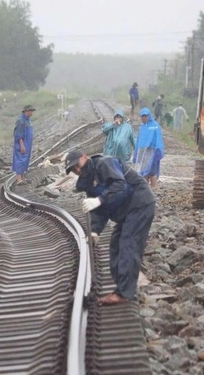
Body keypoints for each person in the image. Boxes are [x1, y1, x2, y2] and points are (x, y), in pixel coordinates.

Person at [64, 150, 155, 305]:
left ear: (84, 157)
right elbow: (100, 210)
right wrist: (94, 230)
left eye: (77, 166)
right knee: (115, 245)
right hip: (126, 211)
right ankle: (123, 287)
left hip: (140, 203)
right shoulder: (87, 181)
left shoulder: (105, 163)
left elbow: (120, 185)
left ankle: (124, 293)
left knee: (128, 244)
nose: (77, 170)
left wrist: (99, 199)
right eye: (74, 170)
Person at [133, 108, 164, 188]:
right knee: (143, 171)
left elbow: (158, 139)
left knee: (152, 172)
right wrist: (136, 153)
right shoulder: (142, 127)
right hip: (143, 152)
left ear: (148, 116)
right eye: (142, 116)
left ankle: (153, 188)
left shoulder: (155, 126)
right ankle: (146, 189)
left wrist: (158, 151)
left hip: (152, 152)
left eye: (145, 116)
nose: (143, 118)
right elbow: (139, 141)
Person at [13, 104, 36, 184]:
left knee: (25, 161)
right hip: (22, 144)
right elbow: (18, 134)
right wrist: (22, 145)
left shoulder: (28, 120)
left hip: (27, 143)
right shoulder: (21, 120)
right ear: (26, 111)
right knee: (20, 160)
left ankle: (23, 178)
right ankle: (19, 179)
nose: (31, 113)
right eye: (30, 111)